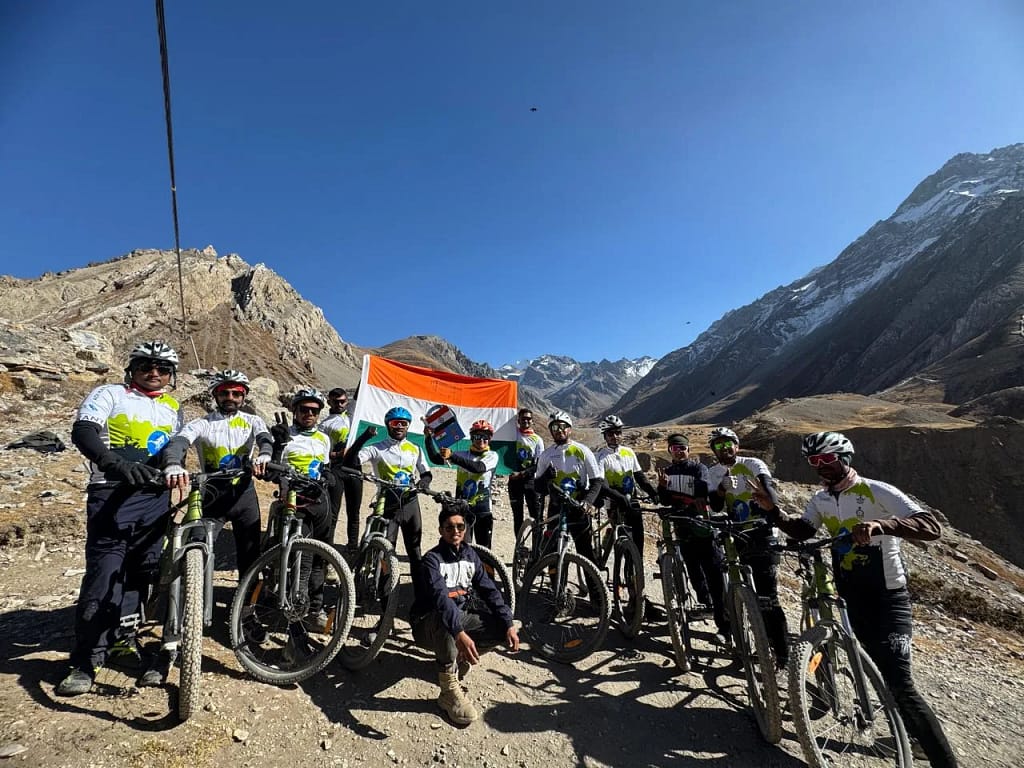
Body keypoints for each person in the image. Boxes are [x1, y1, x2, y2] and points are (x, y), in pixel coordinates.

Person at [752, 431, 958, 767]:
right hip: (849, 599)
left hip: (888, 599)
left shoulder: (876, 491)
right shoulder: (820, 500)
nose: (821, 467)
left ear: (845, 457)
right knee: (875, 670)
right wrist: (773, 512)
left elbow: (930, 526)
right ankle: (908, 734)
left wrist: (880, 525)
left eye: (827, 459)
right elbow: (805, 530)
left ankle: (943, 761)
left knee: (901, 684)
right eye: (814, 461)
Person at [57, 341, 184, 696]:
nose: (154, 372)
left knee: (140, 572)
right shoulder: (109, 393)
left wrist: (175, 470)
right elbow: (84, 431)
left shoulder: (173, 407)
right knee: (102, 577)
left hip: (154, 498)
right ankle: (85, 661)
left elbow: (174, 448)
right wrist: (115, 463)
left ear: (171, 375)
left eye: (162, 368)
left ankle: (122, 640)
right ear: (132, 368)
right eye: (146, 365)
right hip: (111, 493)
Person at [410, 501, 519, 725]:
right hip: (427, 624)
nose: (455, 532)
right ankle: (448, 691)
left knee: (505, 628)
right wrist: (459, 632)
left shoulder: (471, 556)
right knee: (446, 617)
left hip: (459, 617)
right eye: (449, 527)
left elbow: (490, 590)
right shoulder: (432, 560)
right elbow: (441, 600)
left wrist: (507, 622)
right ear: (441, 531)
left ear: (465, 529)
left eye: (460, 527)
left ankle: (456, 656)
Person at [161, 369, 273, 582]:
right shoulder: (203, 423)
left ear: (243, 396)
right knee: (197, 549)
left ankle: (247, 608)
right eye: (224, 393)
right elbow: (180, 441)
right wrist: (174, 463)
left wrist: (265, 454)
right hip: (211, 495)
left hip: (244, 495)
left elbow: (264, 438)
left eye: (236, 393)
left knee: (250, 554)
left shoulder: (252, 420)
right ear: (215, 395)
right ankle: (193, 602)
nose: (230, 398)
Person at [705, 426, 789, 667]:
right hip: (736, 537)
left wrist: (765, 496)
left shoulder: (753, 464)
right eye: (719, 445)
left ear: (737, 445)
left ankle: (782, 654)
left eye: (728, 443)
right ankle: (745, 641)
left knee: (767, 598)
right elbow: (717, 507)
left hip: (763, 535)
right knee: (736, 589)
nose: (725, 448)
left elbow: (771, 495)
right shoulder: (713, 473)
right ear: (714, 451)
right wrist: (721, 489)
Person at [347, 406, 433, 597]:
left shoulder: (415, 449)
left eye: (404, 423)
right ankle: (385, 605)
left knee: (415, 553)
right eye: (395, 423)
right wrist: (363, 438)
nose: (399, 427)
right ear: (388, 425)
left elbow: (426, 473)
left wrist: (423, 483)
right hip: (387, 504)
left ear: (409, 426)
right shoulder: (376, 448)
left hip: (411, 503)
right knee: (386, 555)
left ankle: (421, 599)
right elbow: (352, 461)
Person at [269, 388, 336, 630]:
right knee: (303, 560)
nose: (309, 414)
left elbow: (325, 465)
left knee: (321, 558)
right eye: (304, 409)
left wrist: (328, 474)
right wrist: (277, 445)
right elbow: (270, 470)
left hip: (320, 501)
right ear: (295, 411)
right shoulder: (286, 434)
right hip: (295, 501)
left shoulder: (324, 438)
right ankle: (295, 610)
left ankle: (315, 609)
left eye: (314, 410)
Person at [656, 433, 730, 643]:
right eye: (674, 449)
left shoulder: (698, 468)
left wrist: (691, 499)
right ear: (670, 451)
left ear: (688, 450)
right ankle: (705, 605)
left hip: (701, 527)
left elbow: (703, 487)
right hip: (681, 526)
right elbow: (664, 499)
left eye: (682, 448)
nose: (679, 452)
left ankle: (725, 627)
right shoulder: (668, 472)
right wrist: (662, 486)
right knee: (693, 569)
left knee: (713, 574)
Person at [533, 412, 604, 563]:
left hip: (578, 507)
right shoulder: (546, 455)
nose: (559, 430)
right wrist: (546, 476)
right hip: (556, 507)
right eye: (555, 427)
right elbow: (538, 487)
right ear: (551, 431)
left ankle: (594, 587)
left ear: (569, 429)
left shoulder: (583, 451)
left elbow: (597, 481)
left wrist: (588, 502)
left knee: (585, 553)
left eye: (563, 426)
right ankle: (556, 586)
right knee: (551, 553)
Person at [424, 419, 500, 549]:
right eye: (477, 436)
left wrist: (452, 457)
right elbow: (435, 459)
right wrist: (428, 438)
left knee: (485, 550)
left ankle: (487, 570)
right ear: (471, 438)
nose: (481, 439)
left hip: (483, 510)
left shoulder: (492, 455)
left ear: (490, 439)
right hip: (462, 509)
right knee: (463, 546)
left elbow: (478, 468)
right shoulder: (462, 454)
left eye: (485, 437)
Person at [594, 415, 659, 558]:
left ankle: (637, 569)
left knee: (638, 537)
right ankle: (619, 573)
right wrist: (617, 497)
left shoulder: (628, 452)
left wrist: (653, 492)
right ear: (605, 436)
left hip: (631, 500)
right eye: (610, 434)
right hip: (613, 502)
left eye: (618, 433)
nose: (615, 437)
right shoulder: (601, 456)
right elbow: (602, 484)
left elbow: (639, 476)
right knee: (622, 542)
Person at [320, 387, 362, 551]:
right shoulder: (325, 424)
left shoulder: (353, 413)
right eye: (335, 401)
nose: (339, 404)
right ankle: (327, 549)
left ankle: (352, 547)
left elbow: (361, 391)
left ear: (347, 401)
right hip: (337, 469)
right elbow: (322, 451)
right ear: (329, 402)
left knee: (354, 512)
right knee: (333, 512)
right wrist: (337, 453)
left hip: (355, 468)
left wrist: (369, 365)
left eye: (343, 401)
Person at [507, 408, 544, 536]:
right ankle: (519, 548)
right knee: (517, 517)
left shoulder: (537, 440)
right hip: (514, 483)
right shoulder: (512, 435)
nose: (526, 421)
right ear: (518, 420)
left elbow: (539, 464)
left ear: (532, 421)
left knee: (536, 517)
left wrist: (522, 474)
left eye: (528, 419)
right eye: (523, 418)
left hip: (530, 482)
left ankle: (536, 549)